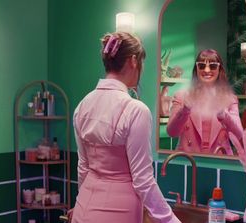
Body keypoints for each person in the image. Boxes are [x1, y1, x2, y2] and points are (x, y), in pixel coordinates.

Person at [70, 32, 181, 223]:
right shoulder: (136, 110)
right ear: (133, 61)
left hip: (83, 209)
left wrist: (82, 198)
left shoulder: (82, 106)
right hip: (119, 212)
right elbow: (143, 181)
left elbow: (83, 167)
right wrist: (171, 221)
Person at [166, 49, 243, 155]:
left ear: (219, 69)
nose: (206, 70)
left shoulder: (230, 99)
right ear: (196, 69)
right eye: (202, 66)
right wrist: (185, 110)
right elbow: (171, 132)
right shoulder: (181, 96)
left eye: (213, 66)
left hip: (220, 163)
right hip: (188, 161)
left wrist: (224, 115)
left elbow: (238, 134)